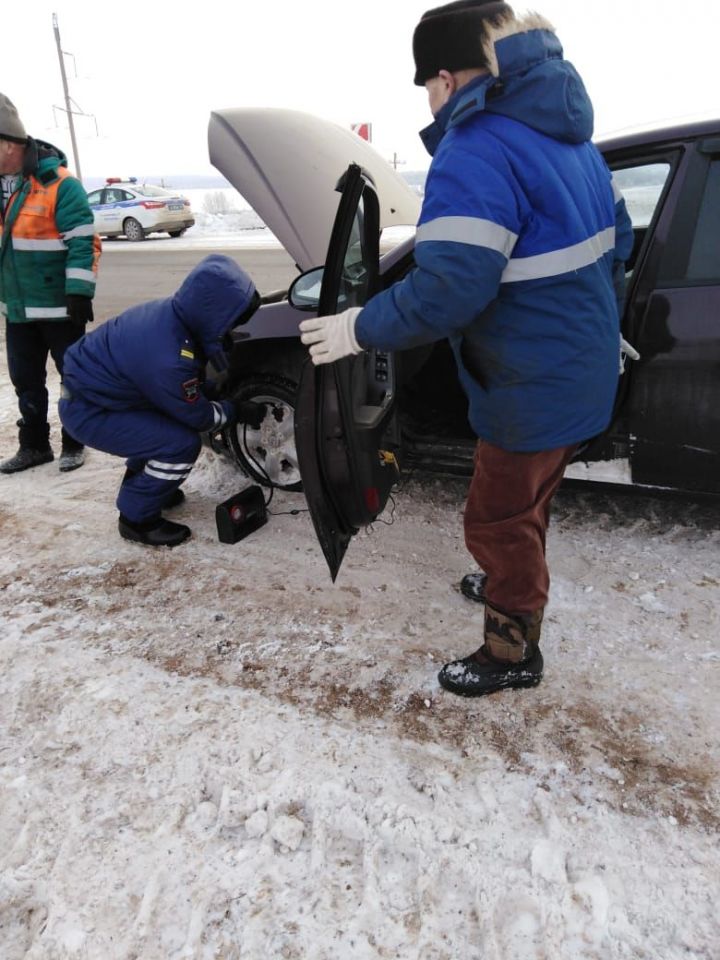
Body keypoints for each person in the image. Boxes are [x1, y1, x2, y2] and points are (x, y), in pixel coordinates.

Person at [300, 0, 634, 697]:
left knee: (496, 513)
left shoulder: (478, 146)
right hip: (577, 366)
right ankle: (515, 575)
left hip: (529, 381)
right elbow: (617, 241)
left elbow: (450, 290)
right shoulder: (567, 137)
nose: (427, 97)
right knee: (528, 495)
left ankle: (512, 650)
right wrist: (604, 325)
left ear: (448, 78)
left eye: (426, 82)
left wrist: (357, 327)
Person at [59, 254, 265, 547]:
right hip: (90, 411)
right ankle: (136, 519)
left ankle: (153, 485)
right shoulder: (169, 358)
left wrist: (208, 386)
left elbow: (180, 382)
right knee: (180, 444)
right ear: (212, 314)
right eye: (229, 322)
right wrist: (235, 411)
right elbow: (199, 416)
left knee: (162, 430)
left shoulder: (174, 317)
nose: (231, 329)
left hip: (102, 395)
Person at [0, 93, 100, 474]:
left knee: (73, 378)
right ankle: (34, 446)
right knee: (25, 381)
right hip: (18, 308)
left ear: (8, 142)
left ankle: (75, 442)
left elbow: (83, 241)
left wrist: (78, 291)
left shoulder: (59, 184)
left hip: (60, 308)